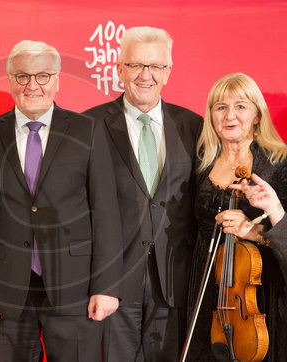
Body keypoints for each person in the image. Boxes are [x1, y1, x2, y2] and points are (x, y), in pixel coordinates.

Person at [0, 40, 122, 362]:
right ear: (10, 81)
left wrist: (107, 286)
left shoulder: (87, 131)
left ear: (57, 79)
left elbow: (106, 214)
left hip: (77, 292)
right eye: (22, 76)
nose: (32, 85)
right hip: (4, 296)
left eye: (43, 76)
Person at [84, 26, 203, 361]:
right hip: (112, 282)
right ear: (119, 70)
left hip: (174, 280)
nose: (145, 75)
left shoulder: (193, 126)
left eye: (155, 67)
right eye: (136, 65)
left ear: (168, 72)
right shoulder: (87, 126)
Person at [186, 72, 287, 361]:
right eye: (220, 107)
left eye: (241, 106)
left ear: (258, 115)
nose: (230, 115)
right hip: (207, 288)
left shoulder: (281, 164)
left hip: (259, 294)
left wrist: (255, 232)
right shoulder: (200, 162)